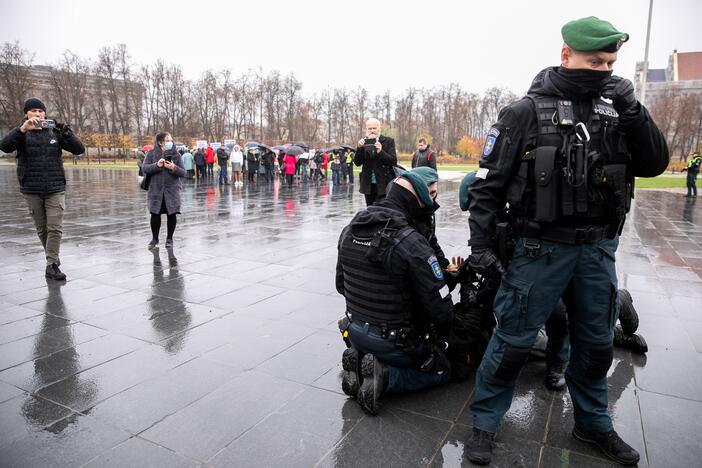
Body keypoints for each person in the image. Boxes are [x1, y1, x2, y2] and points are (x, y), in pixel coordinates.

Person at [464, 17, 669, 466]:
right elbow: (485, 187)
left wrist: (634, 111)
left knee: (596, 345)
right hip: (540, 250)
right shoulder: (523, 112)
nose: (604, 70)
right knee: (513, 341)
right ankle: (485, 421)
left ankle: (593, 422)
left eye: (611, 63)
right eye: (594, 61)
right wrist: (480, 247)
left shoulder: (618, 110)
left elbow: (655, 162)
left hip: (597, 251)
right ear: (566, 55)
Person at [336, 167, 454, 415]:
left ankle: (360, 364)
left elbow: (340, 285)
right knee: (443, 370)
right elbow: (441, 309)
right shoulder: (411, 242)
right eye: (429, 198)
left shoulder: (349, 231)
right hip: (397, 344)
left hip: (355, 330)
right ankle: (385, 376)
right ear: (415, 201)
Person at [0, 97, 85, 280]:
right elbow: (5, 147)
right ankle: (52, 258)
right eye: (33, 111)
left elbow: (79, 150)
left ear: (44, 113)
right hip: (31, 187)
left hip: (55, 186)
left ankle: (52, 264)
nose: (37, 114)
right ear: (26, 114)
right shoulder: (21, 133)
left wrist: (67, 133)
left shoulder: (54, 130)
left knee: (55, 227)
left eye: (40, 111)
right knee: (42, 229)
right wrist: (22, 130)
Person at [142, 132, 187, 249]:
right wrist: (157, 165)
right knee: (155, 215)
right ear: (160, 142)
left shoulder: (176, 155)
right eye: (168, 140)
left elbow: (183, 172)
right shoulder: (151, 153)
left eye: (171, 140)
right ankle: (154, 239)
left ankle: (169, 239)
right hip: (156, 190)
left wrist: (173, 168)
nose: (170, 142)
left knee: (171, 215)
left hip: (172, 190)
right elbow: (145, 168)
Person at [354, 118, 397, 206]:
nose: (372, 131)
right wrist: (359, 148)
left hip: (384, 184)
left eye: (374, 128)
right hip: (368, 184)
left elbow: (393, 161)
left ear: (379, 128)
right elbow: (357, 163)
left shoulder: (388, 141)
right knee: (370, 210)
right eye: (370, 129)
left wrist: (381, 152)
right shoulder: (363, 142)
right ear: (366, 129)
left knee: (382, 211)